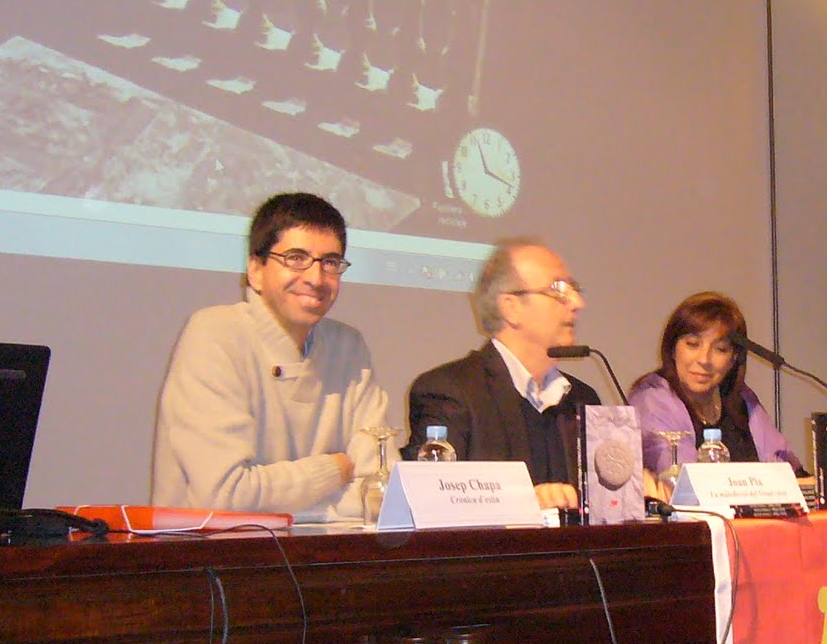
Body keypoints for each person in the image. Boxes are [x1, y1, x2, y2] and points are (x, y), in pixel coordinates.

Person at [152, 192, 390, 520]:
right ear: (255, 270)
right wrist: (334, 469)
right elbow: (225, 495)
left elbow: (381, 492)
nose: (316, 278)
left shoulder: (348, 347)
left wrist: (278, 502)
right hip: (217, 550)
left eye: (330, 263)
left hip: (327, 550)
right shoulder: (215, 334)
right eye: (296, 258)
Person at [402, 238, 598, 511]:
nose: (577, 303)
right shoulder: (449, 392)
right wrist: (523, 502)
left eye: (574, 289)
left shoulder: (583, 399)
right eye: (558, 289)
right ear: (510, 308)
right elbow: (431, 501)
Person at [626, 291, 803, 479]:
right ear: (672, 348)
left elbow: (785, 468)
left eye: (720, 349)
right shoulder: (651, 399)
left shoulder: (742, 399)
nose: (704, 359)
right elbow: (682, 480)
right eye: (693, 344)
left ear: (734, 358)